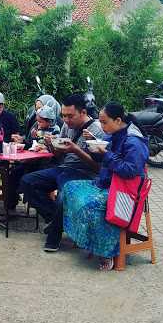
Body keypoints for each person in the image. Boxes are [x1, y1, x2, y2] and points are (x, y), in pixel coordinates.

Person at [62, 103, 149, 271]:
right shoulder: (113, 133)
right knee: (70, 188)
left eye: (104, 122)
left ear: (117, 120)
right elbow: (101, 159)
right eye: (100, 122)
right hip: (106, 183)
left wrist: (106, 153)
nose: (101, 126)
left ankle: (107, 252)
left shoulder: (134, 141)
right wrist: (92, 144)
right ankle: (86, 239)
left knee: (91, 205)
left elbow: (130, 171)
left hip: (125, 190)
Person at [19, 93, 104, 251]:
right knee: (26, 182)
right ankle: (55, 220)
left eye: (70, 116)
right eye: (63, 116)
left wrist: (76, 149)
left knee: (62, 198)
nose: (65, 120)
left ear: (83, 112)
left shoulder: (96, 131)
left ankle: (53, 238)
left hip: (84, 174)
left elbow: (98, 168)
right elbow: (59, 154)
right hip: (64, 169)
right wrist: (51, 145)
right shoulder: (67, 126)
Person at [6, 106, 60, 210]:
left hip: (46, 163)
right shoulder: (36, 127)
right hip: (31, 160)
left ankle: (28, 196)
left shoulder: (55, 130)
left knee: (28, 179)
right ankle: (10, 206)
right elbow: (30, 143)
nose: (38, 124)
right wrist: (23, 140)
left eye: (41, 122)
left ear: (49, 121)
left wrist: (46, 145)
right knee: (13, 174)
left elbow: (56, 148)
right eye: (38, 121)